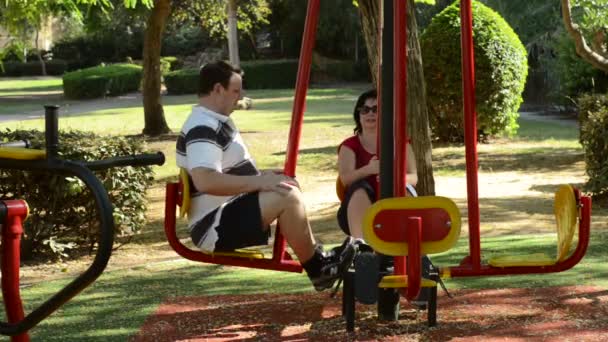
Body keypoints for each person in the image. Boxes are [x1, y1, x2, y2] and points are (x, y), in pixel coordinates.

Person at [175, 60, 356, 292]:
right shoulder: (203, 127)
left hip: (223, 213)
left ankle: (318, 256)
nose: (239, 98)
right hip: (214, 226)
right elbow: (206, 180)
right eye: (235, 91)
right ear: (217, 89)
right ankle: (317, 269)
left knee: (286, 186)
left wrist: (265, 177)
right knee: (286, 195)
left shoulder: (212, 122)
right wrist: (260, 181)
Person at [337, 89, 418, 242]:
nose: (370, 114)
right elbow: (345, 179)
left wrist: (395, 179)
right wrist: (369, 169)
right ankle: (361, 246)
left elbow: (413, 176)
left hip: (392, 201)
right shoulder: (349, 146)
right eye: (365, 110)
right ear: (358, 115)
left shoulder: (401, 143)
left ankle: (409, 247)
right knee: (359, 189)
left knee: (404, 189)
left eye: (376, 109)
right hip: (357, 208)